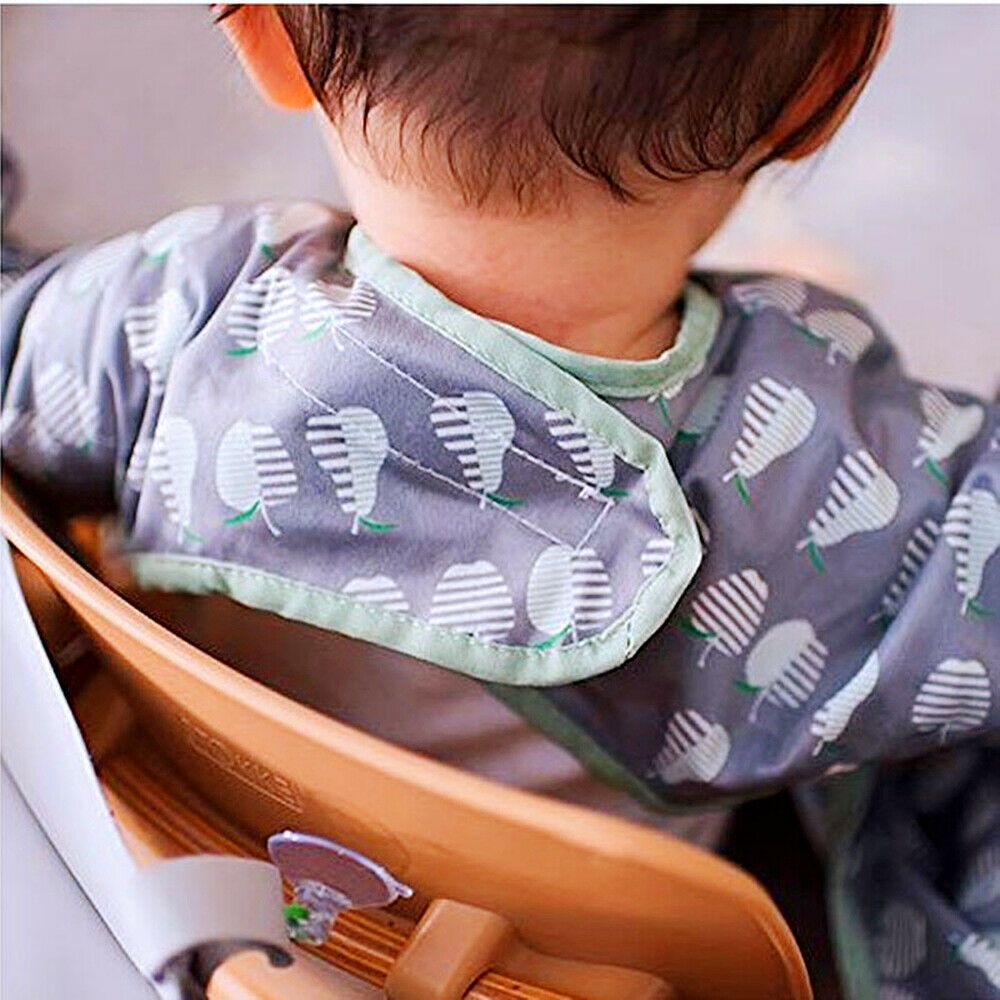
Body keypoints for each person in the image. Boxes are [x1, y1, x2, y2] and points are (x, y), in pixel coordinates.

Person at [2, 9, 997, 997]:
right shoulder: (807, 463)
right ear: (821, 93)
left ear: (269, 38)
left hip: (205, 872)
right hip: (571, 970)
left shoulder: (180, 314)